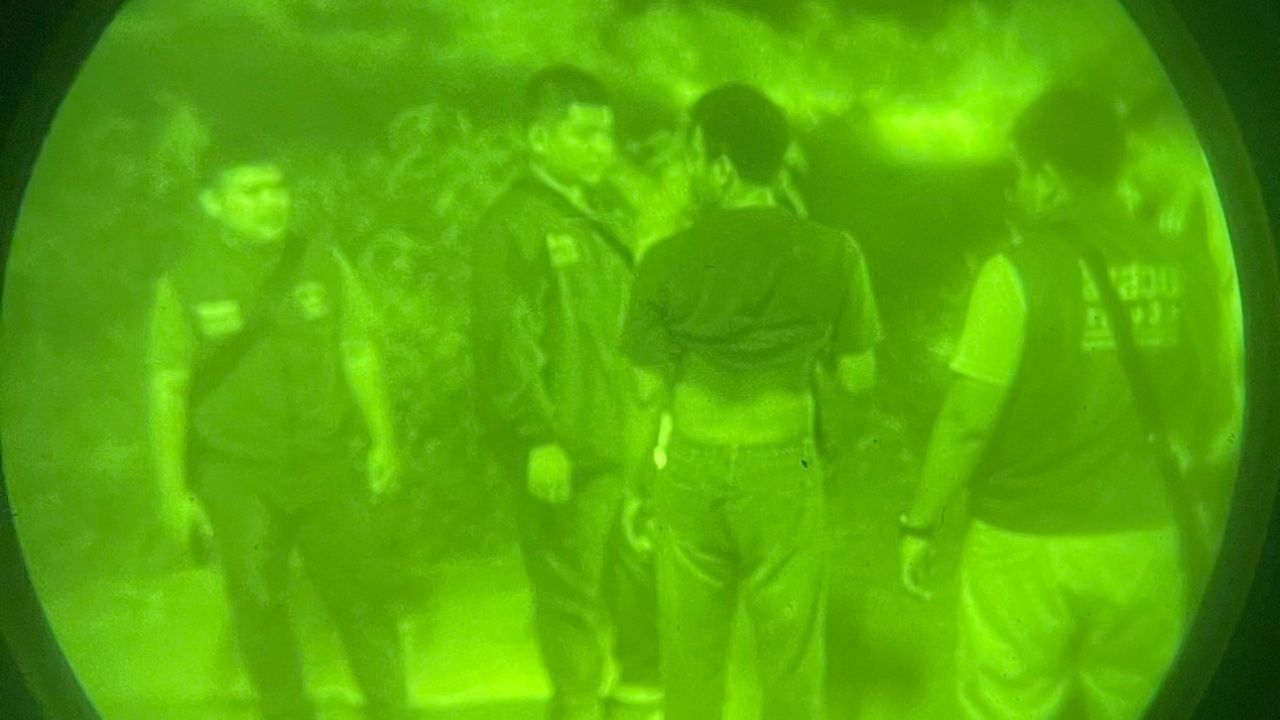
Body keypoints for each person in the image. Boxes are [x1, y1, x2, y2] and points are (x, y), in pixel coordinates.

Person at [899, 86, 1219, 720]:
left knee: (1006, 705)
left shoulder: (1015, 272)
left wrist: (920, 524)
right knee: (1138, 702)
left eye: (1021, 172)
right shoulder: (1183, 263)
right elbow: (1210, 399)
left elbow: (966, 421)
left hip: (1026, 544)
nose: (1018, 189)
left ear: (1045, 177)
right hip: (1145, 540)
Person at [620, 83, 882, 720]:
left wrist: (636, 488)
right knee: (792, 666)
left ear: (721, 167)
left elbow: (645, 394)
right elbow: (858, 378)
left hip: (691, 468)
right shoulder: (833, 252)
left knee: (689, 666)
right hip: (784, 465)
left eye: (693, 155)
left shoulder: (664, 261)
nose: (688, 170)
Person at [148, 161, 408, 720]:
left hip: (325, 462)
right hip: (237, 474)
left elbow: (358, 350)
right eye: (251, 191)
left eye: (279, 187)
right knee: (258, 604)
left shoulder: (323, 263)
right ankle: (286, 711)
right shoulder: (185, 283)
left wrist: (383, 440)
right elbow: (168, 388)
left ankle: (391, 709)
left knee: (363, 597)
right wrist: (173, 492)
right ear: (213, 204)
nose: (271, 202)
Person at [469, 65, 641, 720]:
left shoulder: (597, 219)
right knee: (569, 600)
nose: (601, 148)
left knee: (631, 595)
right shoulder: (513, 224)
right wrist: (538, 438)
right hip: (563, 451)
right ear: (539, 139)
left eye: (606, 135)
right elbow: (506, 344)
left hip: (616, 443)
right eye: (585, 134)